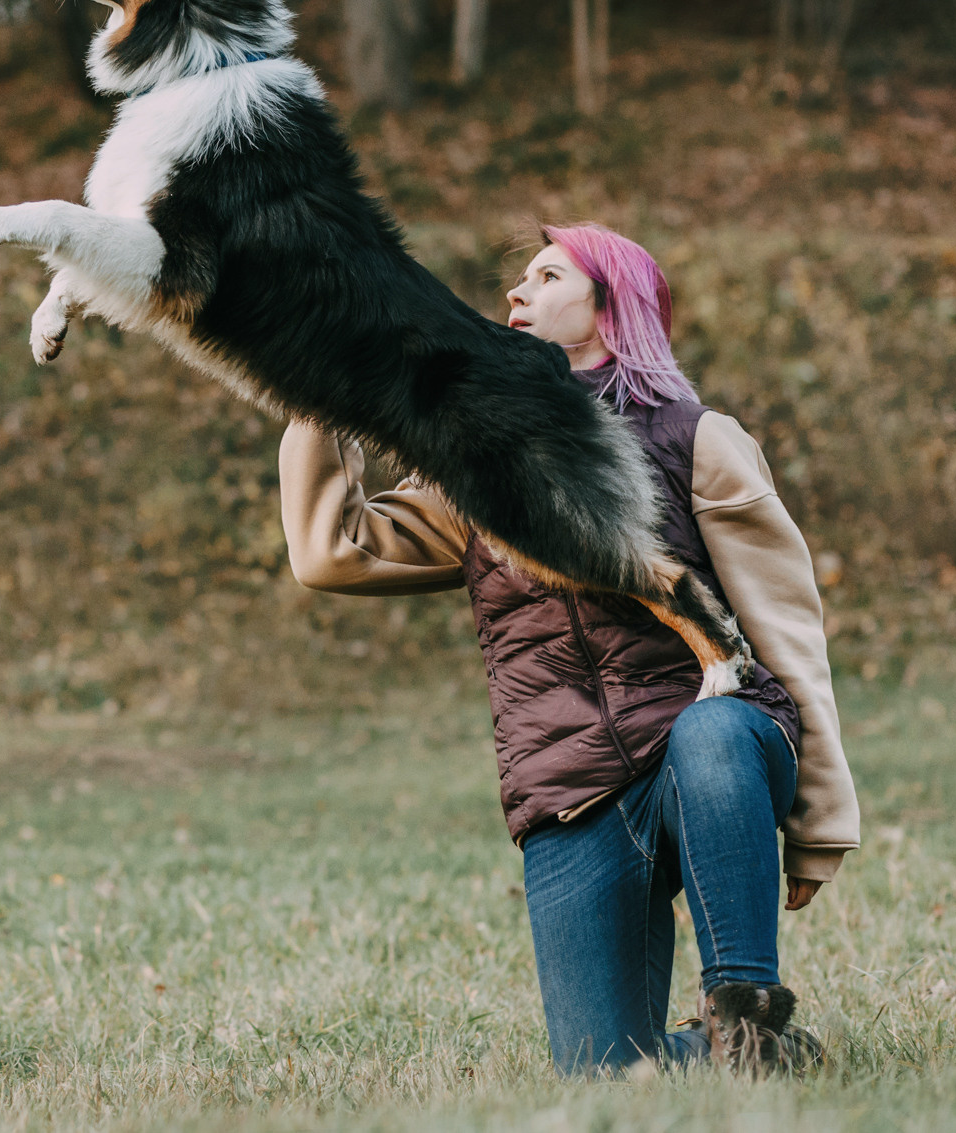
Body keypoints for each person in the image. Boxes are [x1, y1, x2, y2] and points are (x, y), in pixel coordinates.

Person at [279, 223, 860, 1075]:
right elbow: (335, 549)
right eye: (518, 277)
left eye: (547, 275)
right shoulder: (471, 463)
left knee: (713, 726)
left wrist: (818, 821)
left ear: (609, 309)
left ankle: (747, 1020)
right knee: (605, 1073)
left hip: (707, 754)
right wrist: (319, 388)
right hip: (572, 790)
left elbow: (787, 632)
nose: (514, 292)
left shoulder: (695, 439)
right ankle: (762, 1057)